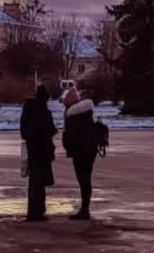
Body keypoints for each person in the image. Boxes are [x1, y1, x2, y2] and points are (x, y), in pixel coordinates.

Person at [19, 84, 57, 222]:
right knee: (40, 183)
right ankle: (38, 211)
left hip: (32, 149)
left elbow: (23, 132)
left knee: (34, 181)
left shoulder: (27, 110)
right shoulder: (44, 112)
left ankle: (32, 211)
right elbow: (50, 130)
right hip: (43, 150)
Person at [61, 86, 98, 220]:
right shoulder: (86, 114)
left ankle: (84, 210)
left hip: (80, 152)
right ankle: (85, 208)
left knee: (83, 180)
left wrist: (68, 146)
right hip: (90, 150)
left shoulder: (73, 117)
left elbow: (69, 137)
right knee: (86, 180)